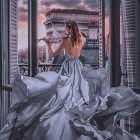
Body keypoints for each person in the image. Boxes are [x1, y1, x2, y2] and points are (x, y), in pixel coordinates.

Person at [0, 20, 140, 140]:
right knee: (77, 93)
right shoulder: (82, 39)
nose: (64, 30)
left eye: (66, 29)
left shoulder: (65, 40)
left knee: (59, 92)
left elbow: (53, 53)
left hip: (67, 68)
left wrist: (48, 43)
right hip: (77, 67)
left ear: (68, 29)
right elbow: (75, 52)